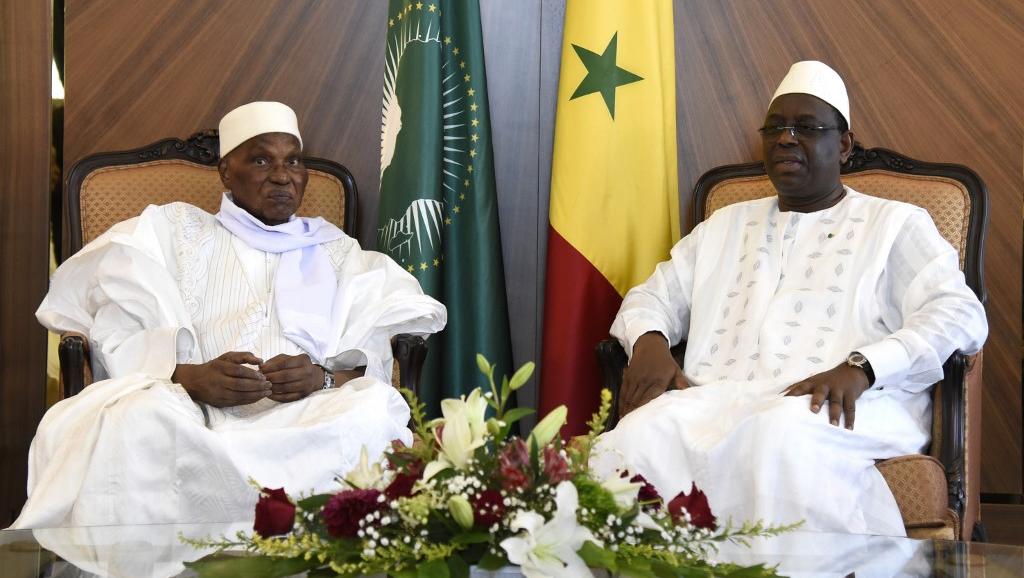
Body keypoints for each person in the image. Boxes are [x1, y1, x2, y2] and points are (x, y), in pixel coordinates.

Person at [594, 62, 987, 536]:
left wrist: (863, 366)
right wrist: (650, 342)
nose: (785, 138)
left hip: (836, 406)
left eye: (806, 127)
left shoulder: (895, 223)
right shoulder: (723, 225)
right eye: (776, 127)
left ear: (842, 145)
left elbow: (959, 311)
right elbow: (650, 297)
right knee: (628, 444)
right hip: (714, 401)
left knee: (778, 437)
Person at [13, 102, 446, 528]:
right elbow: (117, 320)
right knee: (132, 420)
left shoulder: (338, 251)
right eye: (261, 160)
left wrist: (322, 377)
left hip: (310, 414)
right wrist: (188, 376)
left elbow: (378, 353)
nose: (282, 175)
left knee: (369, 410)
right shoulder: (175, 230)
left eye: (292, 161)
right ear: (225, 171)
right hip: (194, 415)